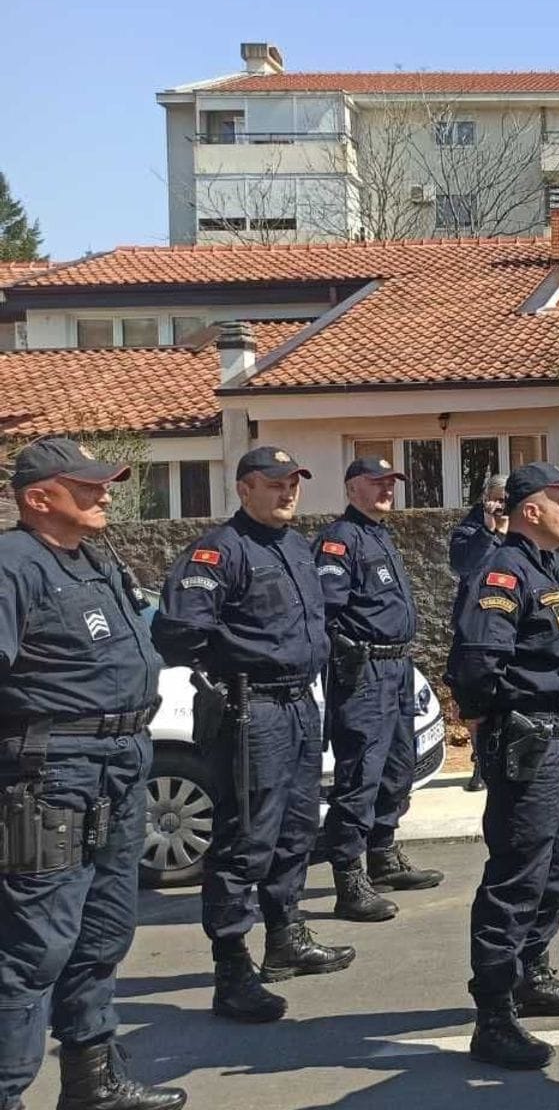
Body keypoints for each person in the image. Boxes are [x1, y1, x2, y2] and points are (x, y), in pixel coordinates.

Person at [0, 439, 186, 1110]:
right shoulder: (12, 565)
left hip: (121, 764)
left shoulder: (93, 559)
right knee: (35, 946)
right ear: (38, 497)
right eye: (85, 486)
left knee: (104, 930)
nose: (104, 493)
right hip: (52, 773)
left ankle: (92, 1083)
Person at [152, 446, 349, 1024]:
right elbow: (178, 631)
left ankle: (286, 938)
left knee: (296, 830)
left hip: (298, 705)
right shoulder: (220, 551)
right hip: (252, 709)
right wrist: (226, 667)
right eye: (275, 483)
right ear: (244, 489)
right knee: (245, 840)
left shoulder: (295, 546)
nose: (288, 493)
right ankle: (232, 969)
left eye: (293, 483)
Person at [447, 462, 559, 1070]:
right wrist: (488, 727)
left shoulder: (548, 565)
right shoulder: (503, 571)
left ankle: (530, 973)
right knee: (517, 874)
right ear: (531, 510)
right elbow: (476, 664)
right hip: (528, 740)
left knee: (557, 864)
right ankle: (493, 1015)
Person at [316, 456, 442, 923]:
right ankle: (349, 880)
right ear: (353, 489)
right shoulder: (340, 539)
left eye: (391, 482)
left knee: (398, 767)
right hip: (364, 672)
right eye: (377, 482)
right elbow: (324, 612)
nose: (388, 489)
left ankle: (383, 855)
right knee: (361, 775)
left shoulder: (379, 535)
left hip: (396, 667)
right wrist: (345, 651)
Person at [450, 474, 508, 793]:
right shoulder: (469, 530)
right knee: (473, 701)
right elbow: (463, 565)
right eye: (496, 498)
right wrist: (488, 529)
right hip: (475, 626)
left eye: (506, 499)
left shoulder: (521, 530)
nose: (501, 504)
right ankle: (480, 761)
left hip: (509, 626)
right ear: (485, 498)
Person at [449, 474, 509, 578]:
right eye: (499, 500)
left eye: (508, 501)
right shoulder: (468, 531)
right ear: (486, 499)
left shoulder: (523, 529)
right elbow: (461, 566)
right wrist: (487, 531)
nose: (503, 506)